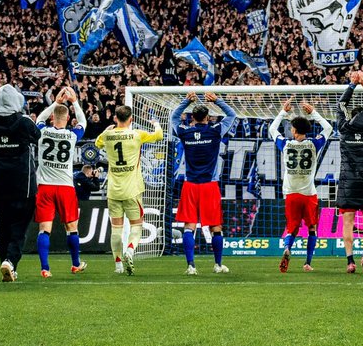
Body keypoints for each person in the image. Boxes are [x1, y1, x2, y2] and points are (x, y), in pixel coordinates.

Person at [0, 84, 41, 282]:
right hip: (23, 183)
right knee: (19, 227)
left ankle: (5, 261)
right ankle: (11, 262)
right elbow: (37, 136)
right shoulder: (23, 122)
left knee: (3, 225)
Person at [170, 93, 236, 275]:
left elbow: (174, 117)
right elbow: (232, 115)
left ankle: (191, 266)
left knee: (189, 226)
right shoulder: (215, 130)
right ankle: (217, 265)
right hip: (209, 185)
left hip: (190, 184)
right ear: (207, 117)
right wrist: (217, 101)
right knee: (215, 226)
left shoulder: (184, 132)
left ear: (192, 117)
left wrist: (186, 101)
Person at [94, 105, 163, 276]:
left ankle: (118, 265)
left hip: (113, 190)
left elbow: (97, 142)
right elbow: (159, 136)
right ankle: (130, 251)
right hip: (132, 190)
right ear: (131, 119)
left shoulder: (108, 135)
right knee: (136, 226)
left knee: (116, 229)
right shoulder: (136, 134)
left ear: (115, 118)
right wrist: (156, 124)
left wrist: (106, 129)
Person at [33, 88, 89, 278]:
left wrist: (55, 102)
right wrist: (74, 102)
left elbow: (39, 119)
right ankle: (75, 264)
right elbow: (82, 122)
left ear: (52, 119)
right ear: (67, 120)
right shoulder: (72, 136)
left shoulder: (42, 132)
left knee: (44, 229)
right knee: (71, 228)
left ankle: (45, 268)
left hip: (45, 187)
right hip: (65, 187)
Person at [270, 99, 330, 273]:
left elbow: (272, 129)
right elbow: (328, 128)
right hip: (309, 194)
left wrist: (283, 112)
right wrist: (314, 113)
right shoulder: (314, 144)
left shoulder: (286, 145)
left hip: (291, 194)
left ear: (294, 130)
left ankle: (288, 248)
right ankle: (307, 263)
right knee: (312, 228)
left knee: (292, 228)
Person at [335, 71, 363, 274]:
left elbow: (340, 106)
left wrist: (352, 85)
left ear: (351, 116)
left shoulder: (344, 128)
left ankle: (350, 261)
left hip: (348, 180)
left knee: (348, 222)